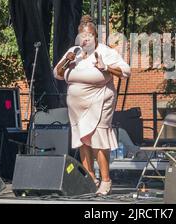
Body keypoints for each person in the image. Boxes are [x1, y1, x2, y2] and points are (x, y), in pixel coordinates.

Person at [54, 15, 130, 195]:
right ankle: (90, 178)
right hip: (76, 106)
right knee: (83, 139)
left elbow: (126, 71)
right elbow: (57, 73)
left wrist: (106, 68)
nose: (85, 38)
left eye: (89, 35)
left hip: (100, 99)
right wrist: (67, 61)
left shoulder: (105, 51)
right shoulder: (74, 51)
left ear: (95, 37)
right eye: (82, 35)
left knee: (98, 138)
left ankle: (105, 180)